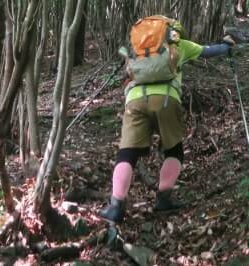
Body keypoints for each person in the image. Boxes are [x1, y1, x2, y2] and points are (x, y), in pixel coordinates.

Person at [99, 18, 236, 223]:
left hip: (135, 100)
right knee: (174, 150)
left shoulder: (136, 46)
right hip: (166, 99)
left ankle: (116, 206)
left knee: (127, 153)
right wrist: (227, 46)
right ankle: (163, 199)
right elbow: (209, 50)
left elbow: (124, 61)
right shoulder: (178, 44)